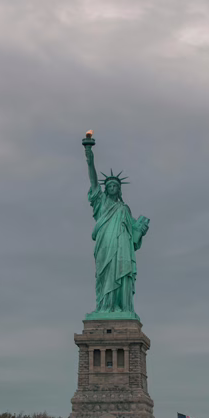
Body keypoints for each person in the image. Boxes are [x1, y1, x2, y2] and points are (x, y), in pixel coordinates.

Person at [83, 132, 150, 315]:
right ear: (106, 189)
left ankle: (121, 307)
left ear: (119, 190)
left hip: (122, 247)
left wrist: (141, 230)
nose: (112, 187)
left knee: (121, 273)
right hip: (105, 243)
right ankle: (105, 307)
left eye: (115, 186)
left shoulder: (124, 209)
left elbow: (134, 234)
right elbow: (93, 178)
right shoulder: (101, 202)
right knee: (105, 275)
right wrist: (89, 153)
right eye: (109, 185)